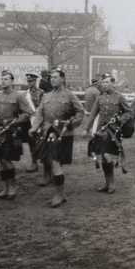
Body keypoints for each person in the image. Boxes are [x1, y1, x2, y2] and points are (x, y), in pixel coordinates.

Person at [29, 68, 84, 207]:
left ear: (63, 79)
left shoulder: (69, 95)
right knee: (52, 163)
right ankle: (60, 193)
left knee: (55, 163)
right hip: (47, 132)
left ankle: (60, 194)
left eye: (55, 77)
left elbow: (80, 111)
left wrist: (71, 123)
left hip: (63, 134)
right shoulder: (46, 96)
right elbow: (40, 114)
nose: (52, 79)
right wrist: (34, 128)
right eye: (51, 77)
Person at [0, 71, 32, 200]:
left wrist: (16, 121)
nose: (3, 81)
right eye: (2, 79)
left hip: (12, 132)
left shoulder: (18, 96)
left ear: (12, 81)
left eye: (6, 79)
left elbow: (27, 112)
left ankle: (13, 187)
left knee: (6, 159)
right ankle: (5, 188)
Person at [83, 73, 132, 194]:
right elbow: (93, 114)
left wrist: (120, 120)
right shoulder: (99, 98)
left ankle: (112, 182)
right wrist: (86, 128)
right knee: (104, 158)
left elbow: (129, 112)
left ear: (113, 84)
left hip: (114, 131)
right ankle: (107, 183)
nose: (104, 85)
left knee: (106, 155)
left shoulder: (119, 97)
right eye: (103, 82)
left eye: (107, 82)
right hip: (102, 131)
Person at [23, 73, 44, 174]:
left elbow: (42, 106)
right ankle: (34, 162)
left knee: (41, 141)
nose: (29, 83)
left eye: (31, 81)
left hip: (38, 119)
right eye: (28, 81)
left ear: (35, 81)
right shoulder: (25, 94)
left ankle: (44, 163)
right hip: (29, 119)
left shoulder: (40, 92)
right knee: (31, 142)